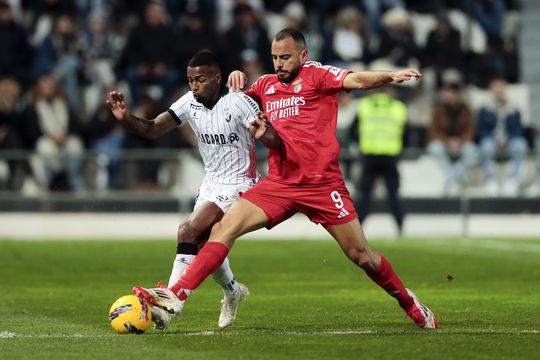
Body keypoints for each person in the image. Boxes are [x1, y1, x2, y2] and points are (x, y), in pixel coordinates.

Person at [133, 29, 438, 330]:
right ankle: (175, 296)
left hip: (322, 185)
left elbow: (356, 79)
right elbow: (229, 101)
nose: (279, 63)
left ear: (303, 55)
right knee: (222, 228)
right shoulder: (265, 85)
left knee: (362, 256)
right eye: (275, 57)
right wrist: (235, 75)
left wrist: (390, 75)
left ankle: (409, 303)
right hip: (278, 185)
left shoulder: (317, 76)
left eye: (286, 57)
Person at [107, 50, 279, 330]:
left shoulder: (238, 102)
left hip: (240, 183)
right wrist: (126, 117)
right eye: (190, 80)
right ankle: (233, 291)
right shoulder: (189, 102)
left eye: (200, 79)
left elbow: (272, 139)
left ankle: (170, 304)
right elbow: (152, 129)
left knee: (187, 230)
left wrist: (265, 133)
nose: (194, 85)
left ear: (217, 77)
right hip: (210, 184)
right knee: (204, 244)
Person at [352, 86, 407, 235]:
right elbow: (406, 135)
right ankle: (400, 226)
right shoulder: (399, 108)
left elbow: (353, 131)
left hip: (369, 156)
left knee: (365, 195)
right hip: (390, 156)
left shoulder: (364, 105)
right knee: (393, 195)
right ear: (390, 91)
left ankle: (357, 228)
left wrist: (363, 144)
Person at [477, 78, 527, 196]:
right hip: (492, 140)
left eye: (501, 87)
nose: (498, 90)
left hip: (509, 141)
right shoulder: (485, 108)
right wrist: (496, 140)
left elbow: (517, 129)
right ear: (491, 89)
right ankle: (490, 180)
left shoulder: (513, 107)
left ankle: (512, 179)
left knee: (521, 145)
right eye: (496, 87)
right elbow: (481, 130)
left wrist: (507, 140)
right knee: (486, 145)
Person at [427, 81, 476, 196]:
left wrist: (460, 141)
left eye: (449, 92)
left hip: (461, 143)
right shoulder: (438, 108)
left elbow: (470, 130)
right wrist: (447, 141)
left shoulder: (465, 109)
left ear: (456, 94)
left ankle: (451, 178)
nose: (445, 95)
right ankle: (452, 177)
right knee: (435, 148)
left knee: (472, 152)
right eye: (444, 92)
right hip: (444, 143)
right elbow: (432, 130)